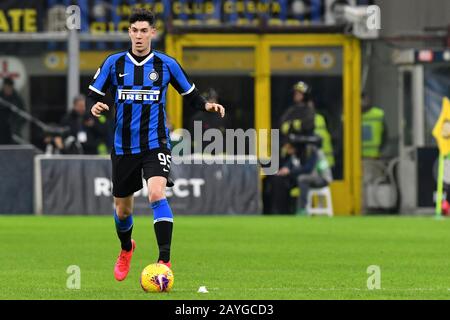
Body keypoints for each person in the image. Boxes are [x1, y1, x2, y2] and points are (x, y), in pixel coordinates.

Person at [88, 8, 225, 281]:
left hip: (156, 142)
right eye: (134, 30)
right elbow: (93, 93)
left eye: (144, 31)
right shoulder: (114, 63)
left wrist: (207, 105)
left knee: (156, 194)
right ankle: (127, 248)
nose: (139, 36)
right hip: (124, 146)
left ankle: (164, 261)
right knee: (122, 210)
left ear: (152, 32)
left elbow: (191, 94)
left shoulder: (167, 64)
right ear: (129, 32)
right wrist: (97, 105)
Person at [277, 135, 333, 215]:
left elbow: (308, 169)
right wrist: (285, 169)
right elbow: (289, 164)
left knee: (302, 179)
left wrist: (290, 171)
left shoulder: (312, 151)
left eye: (289, 148)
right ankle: (284, 210)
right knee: (285, 179)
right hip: (312, 177)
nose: (287, 150)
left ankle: (302, 209)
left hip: (323, 178)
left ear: (295, 147)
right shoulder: (297, 154)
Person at [0, 77, 26, 143]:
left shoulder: (17, 99)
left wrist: (16, 126)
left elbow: (23, 115)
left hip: (13, 132)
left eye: (9, 88)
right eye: (6, 87)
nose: (7, 89)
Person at [361, 93, 386, 159]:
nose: (362, 102)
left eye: (363, 98)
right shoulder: (349, 115)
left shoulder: (378, 114)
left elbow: (385, 135)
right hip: (354, 159)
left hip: (373, 158)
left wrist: (380, 149)